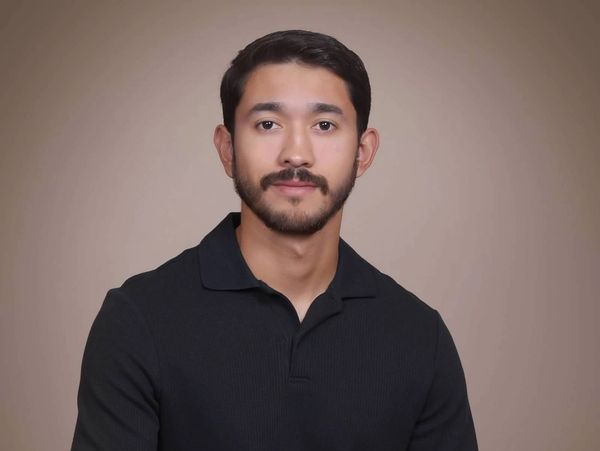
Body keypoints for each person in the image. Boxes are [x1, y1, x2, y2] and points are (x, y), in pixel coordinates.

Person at [71, 30, 478, 451]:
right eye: (268, 124)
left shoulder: (420, 337)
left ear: (363, 152)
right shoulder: (138, 320)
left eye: (324, 125)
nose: (296, 153)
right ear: (227, 149)